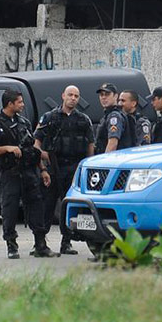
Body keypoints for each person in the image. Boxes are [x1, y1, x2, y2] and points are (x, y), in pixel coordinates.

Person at [0, 88, 57, 259]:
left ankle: (40, 245)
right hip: (10, 174)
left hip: (29, 172)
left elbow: (32, 149)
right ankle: (11, 245)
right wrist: (7, 148)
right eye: (20, 102)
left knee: (37, 206)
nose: (23, 105)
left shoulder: (23, 122)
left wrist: (43, 169)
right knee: (10, 209)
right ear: (10, 104)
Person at [34, 85, 94, 255]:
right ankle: (39, 243)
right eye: (70, 95)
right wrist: (44, 165)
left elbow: (90, 145)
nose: (73, 98)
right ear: (63, 96)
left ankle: (66, 242)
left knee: (68, 207)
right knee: (47, 206)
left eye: (76, 95)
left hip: (74, 168)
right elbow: (36, 144)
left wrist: (86, 170)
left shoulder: (83, 119)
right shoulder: (49, 118)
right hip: (54, 167)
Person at [94, 83, 135, 154]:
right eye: (101, 95)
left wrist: (104, 162)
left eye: (107, 94)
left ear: (115, 96)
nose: (103, 97)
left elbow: (113, 143)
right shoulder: (108, 115)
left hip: (114, 161)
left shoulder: (114, 116)